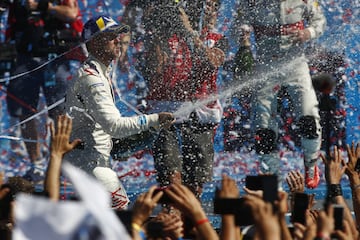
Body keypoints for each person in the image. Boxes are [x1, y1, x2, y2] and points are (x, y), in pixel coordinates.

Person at [64, 15, 175, 209]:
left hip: (90, 160)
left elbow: (102, 129)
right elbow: (114, 126)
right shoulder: (93, 80)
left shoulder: (98, 72)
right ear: (94, 43)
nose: (118, 40)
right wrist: (155, 119)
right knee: (120, 212)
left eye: (118, 35)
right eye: (111, 36)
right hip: (89, 164)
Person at [234, 0, 327, 188]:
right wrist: (241, 33)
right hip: (265, 67)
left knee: (308, 116)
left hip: (296, 65)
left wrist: (308, 33)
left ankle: (311, 165)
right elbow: (237, 26)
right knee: (264, 127)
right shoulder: (250, 2)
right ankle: (271, 181)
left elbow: (320, 21)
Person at [141, 0, 228, 198]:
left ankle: (191, 224)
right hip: (165, 111)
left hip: (202, 113)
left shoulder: (218, 38)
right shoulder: (161, 38)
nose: (209, 11)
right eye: (205, 6)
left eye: (214, 7)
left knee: (195, 186)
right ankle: (172, 220)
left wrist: (190, 34)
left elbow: (213, 61)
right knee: (171, 180)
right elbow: (154, 69)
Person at [4, 0, 84, 181]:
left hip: (54, 57)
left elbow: (71, 14)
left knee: (60, 112)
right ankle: (37, 165)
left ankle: (59, 163)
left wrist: (44, 6)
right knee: (24, 112)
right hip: (23, 57)